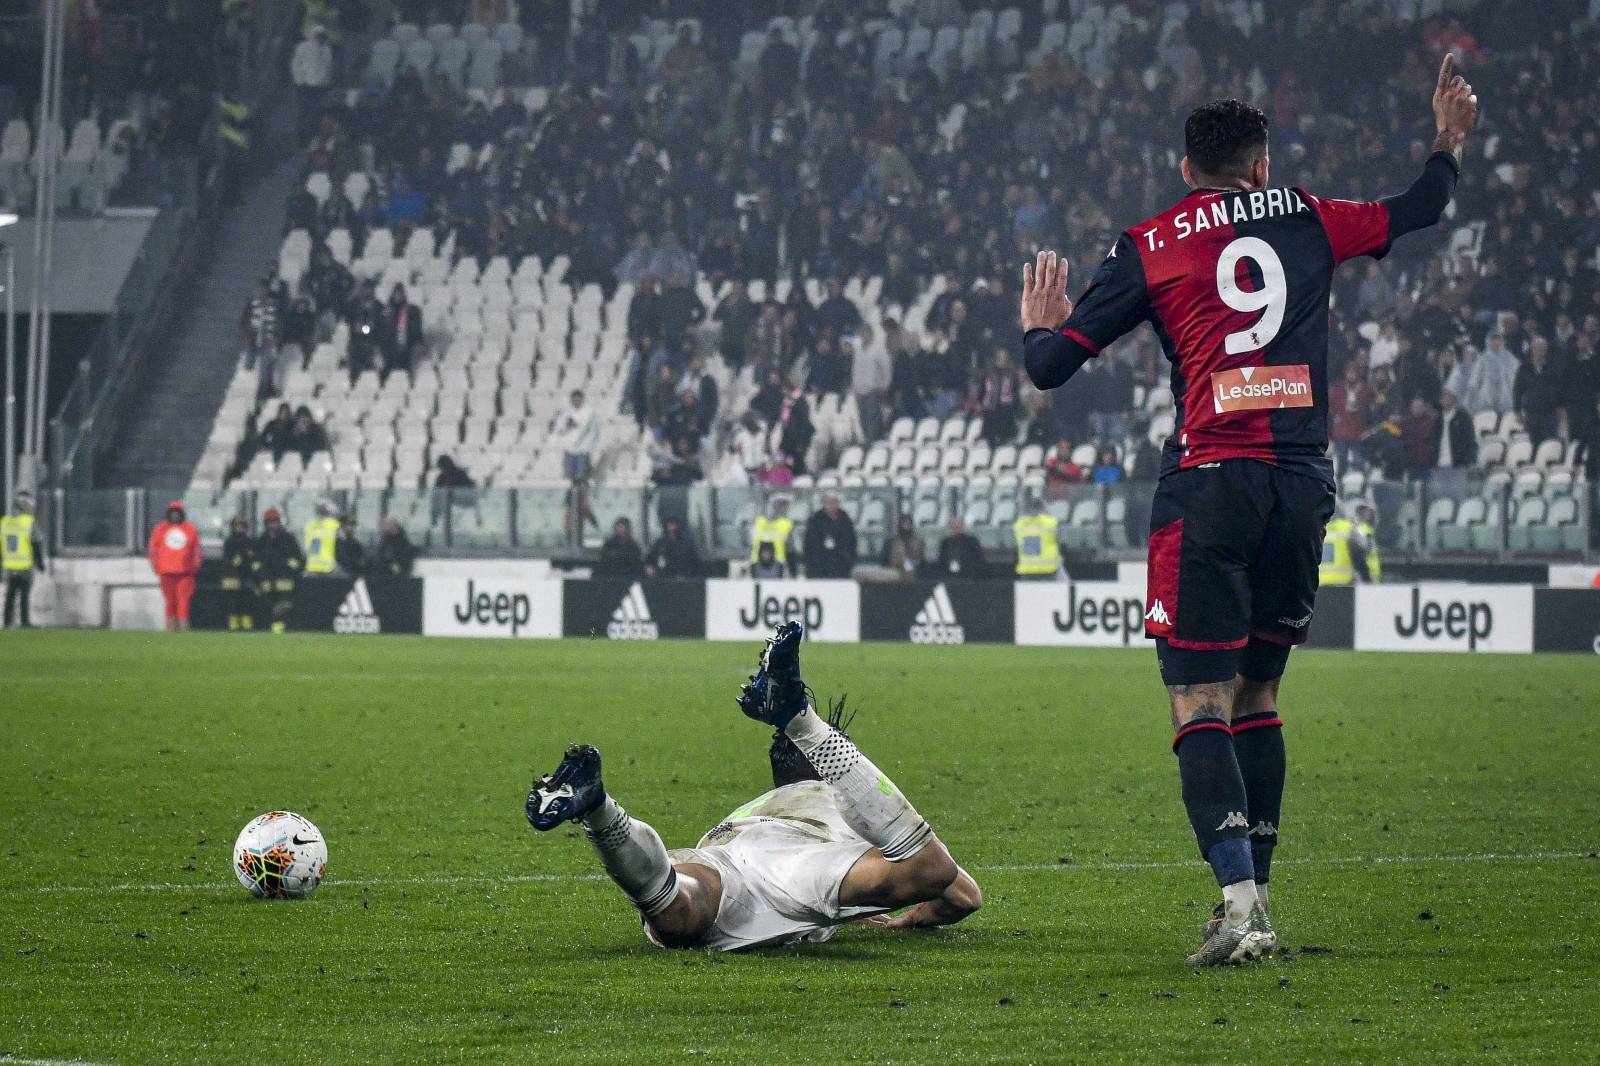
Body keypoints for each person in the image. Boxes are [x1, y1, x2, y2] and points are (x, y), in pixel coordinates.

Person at [1019, 60, 1477, 964]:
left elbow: (1051, 367)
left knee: (1199, 700)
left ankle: (1237, 912)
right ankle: (1257, 900)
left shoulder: (1152, 242)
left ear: (1185, 169)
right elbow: (1420, 205)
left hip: (1211, 485)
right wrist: (1448, 141)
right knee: (1260, 692)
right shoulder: (1309, 217)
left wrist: (1041, 323)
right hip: (1302, 485)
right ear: (1261, 167)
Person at [525, 623, 981, 950]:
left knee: (679, 908)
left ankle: (600, 808)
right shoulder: (841, 805)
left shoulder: (760, 803)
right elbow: (960, 894)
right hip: (799, 869)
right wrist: (906, 920)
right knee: (929, 871)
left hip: (719, 849)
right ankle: (803, 721)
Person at [147, 500, 201, 632]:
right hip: (166, 571)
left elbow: (197, 551)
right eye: (172, 512)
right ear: (168, 513)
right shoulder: (160, 529)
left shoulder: (190, 529)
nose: (175, 515)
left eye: (177, 512)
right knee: (170, 601)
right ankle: (170, 628)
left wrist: (194, 567)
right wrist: (155, 566)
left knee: (183, 601)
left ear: (181, 513)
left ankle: (183, 628)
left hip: (185, 572)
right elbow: (153, 550)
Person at [252, 507, 304, 634]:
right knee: (269, 607)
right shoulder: (261, 541)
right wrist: (262, 578)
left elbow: (298, 560)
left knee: (283, 607)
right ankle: (272, 630)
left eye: (275, 522)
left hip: (285, 580)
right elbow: (256, 563)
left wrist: (286, 570)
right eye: (270, 522)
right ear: (266, 524)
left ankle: (280, 631)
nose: (273, 525)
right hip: (267, 582)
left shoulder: (288, 539)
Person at [2, 490, 46, 628]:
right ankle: (25, 621)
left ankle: (7, 621)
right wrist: (40, 563)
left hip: (9, 565)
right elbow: (36, 543)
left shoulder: (5, 523)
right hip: (24, 564)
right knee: (24, 595)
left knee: (10, 594)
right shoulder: (29, 522)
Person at [1319, 504, 1380, 585]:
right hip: (1344, 584)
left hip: (1320, 585)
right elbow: (1358, 554)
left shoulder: (1318, 530)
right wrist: (1367, 579)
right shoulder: (1349, 528)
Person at [802, 493, 857, 579]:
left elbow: (852, 543)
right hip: (819, 569)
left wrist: (848, 560)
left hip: (841, 568)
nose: (831, 505)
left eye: (834, 502)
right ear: (823, 503)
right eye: (828, 502)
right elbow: (809, 546)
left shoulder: (845, 520)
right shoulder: (815, 520)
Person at [220, 515, 256, 631]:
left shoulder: (249, 541)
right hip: (232, 576)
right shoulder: (229, 542)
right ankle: (233, 624)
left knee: (246, 602)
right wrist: (243, 555)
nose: (239, 528)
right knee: (232, 602)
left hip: (246, 576)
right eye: (237, 526)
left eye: (242, 526)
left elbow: (253, 558)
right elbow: (232, 561)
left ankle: (246, 624)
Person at [381, 283, 423, 382]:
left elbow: (416, 330)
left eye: (399, 294)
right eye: (396, 294)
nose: (397, 296)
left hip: (407, 347)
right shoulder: (386, 312)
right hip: (389, 349)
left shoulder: (411, 311)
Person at [1012, 495, 1060, 579]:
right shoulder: (1051, 523)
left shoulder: (1019, 525)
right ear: (1043, 508)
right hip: (1048, 569)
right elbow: (1059, 540)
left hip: (1027, 569)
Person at [749, 497, 796, 572]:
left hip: (778, 568)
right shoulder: (758, 521)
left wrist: (793, 571)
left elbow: (791, 550)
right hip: (756, 566)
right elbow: (749, 543)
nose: (780, 508)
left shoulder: (787, 524)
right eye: (778, 505)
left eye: (783, 505)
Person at [303, 500, 341, 576]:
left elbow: (308, 549)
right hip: (330, 568)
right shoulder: (335, 525)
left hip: (313, 567)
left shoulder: (310, 526)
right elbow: (340, 548)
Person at [880, 513, 923, 578]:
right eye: (903, 523)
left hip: (914, 576)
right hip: (893, 575)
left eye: (908, 524)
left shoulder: (918, 542)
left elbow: (922, 561)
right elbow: (884, 562)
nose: (905, 526)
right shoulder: (890, 542)